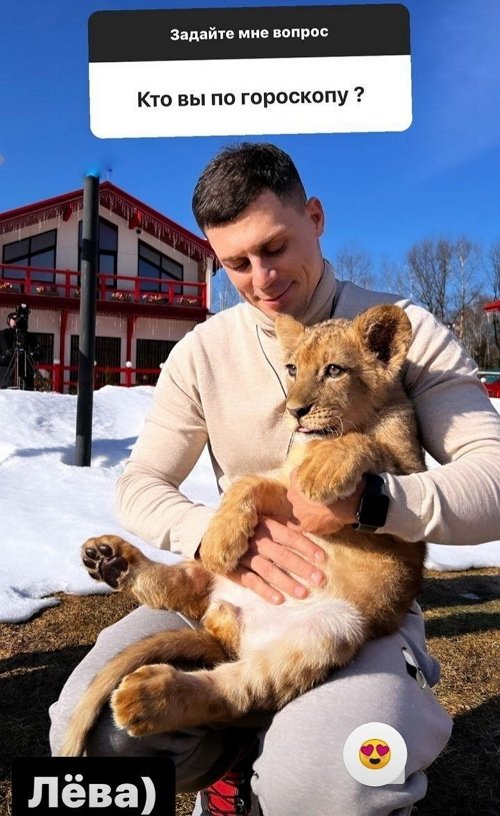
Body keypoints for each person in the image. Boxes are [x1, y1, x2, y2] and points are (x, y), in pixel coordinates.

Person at [50, 143, 500, 815]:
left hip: (352, 600)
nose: (260, 279)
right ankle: (226, 765)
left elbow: (492, 481)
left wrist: (371, 503)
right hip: (234, 588)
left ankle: (303, 768)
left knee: (333, 775)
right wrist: (213, 532)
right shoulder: (203, 350)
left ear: (314, 216)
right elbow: (140, 482)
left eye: (274, 247)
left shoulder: (401, 329)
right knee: (92, 741)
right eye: (236, 262)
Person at [0, 309, 40, 390]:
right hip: (7, 375)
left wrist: (33, 353)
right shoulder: (3, 335)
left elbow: (39, 354)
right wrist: (5, 356)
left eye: (18, 319)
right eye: (14, 319)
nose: (16, 321)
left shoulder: (30, 337)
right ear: (9, 321)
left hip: (26, 375)